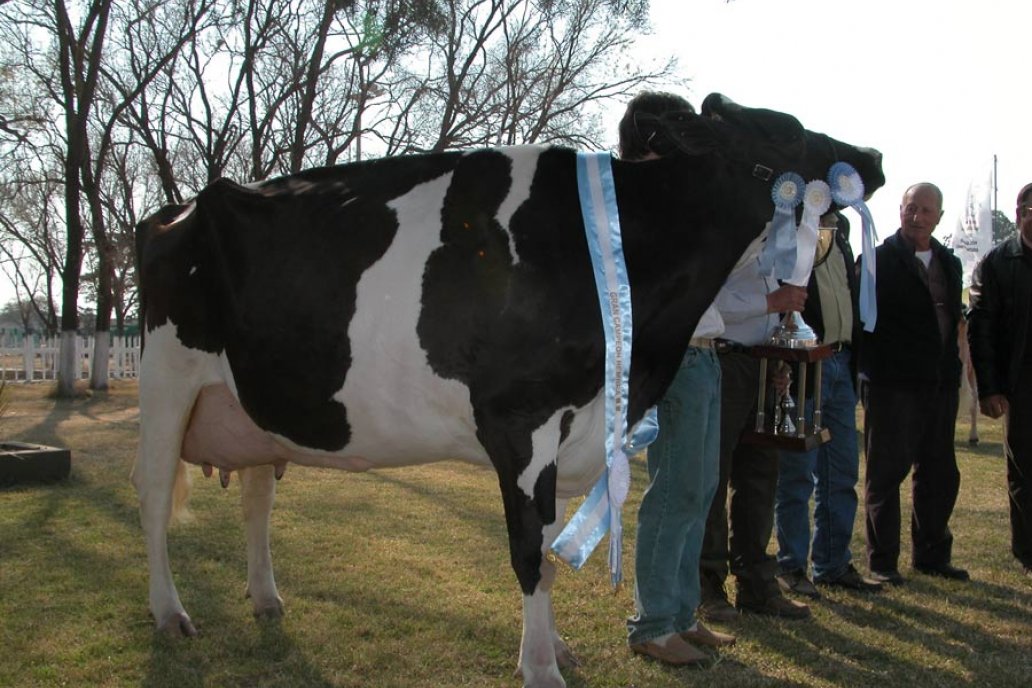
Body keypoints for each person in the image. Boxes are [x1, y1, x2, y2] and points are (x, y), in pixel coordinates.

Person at [618, 91, 736, 666]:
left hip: (706, 352)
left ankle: (683, 614)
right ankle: (653, 623)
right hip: (678, 355)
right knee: (674, 491)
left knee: (700, 490)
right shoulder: (635, 198)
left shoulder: (678, 195)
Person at [859, 182, 968, 584]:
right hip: (892, 384)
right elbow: (863, 324)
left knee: (939, 472)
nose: (917, 217)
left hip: (939, 384)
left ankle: (932, 554)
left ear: (939, 216)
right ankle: (882, 562)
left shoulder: (950, 263)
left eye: (926, 211)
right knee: (886, 474)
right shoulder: (877, 259)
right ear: (900, 210)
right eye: (911, 208)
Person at [698, 248, 812, 620]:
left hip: (762, 364)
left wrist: (780, 357)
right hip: (723, 362)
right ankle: (707, 586)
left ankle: (756, 584)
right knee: (712, 480)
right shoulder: (730, 233)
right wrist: (771, 302)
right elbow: (709, 304)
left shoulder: (774, 238)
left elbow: (772, 316)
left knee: (760, 480)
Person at [774, 212, 883, 596]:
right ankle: (791, 566)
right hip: (806, 364)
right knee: (798, 473)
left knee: (841, 474)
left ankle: (832, 563)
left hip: (841, 363)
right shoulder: (791, 230)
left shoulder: (843, 233)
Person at [967, 183, 1032, 579]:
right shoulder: (996, 262)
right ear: (1020, 211)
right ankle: (1028, 553)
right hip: (1021, 383)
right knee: (1025, 471)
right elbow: (982, 328)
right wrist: (990, 388)